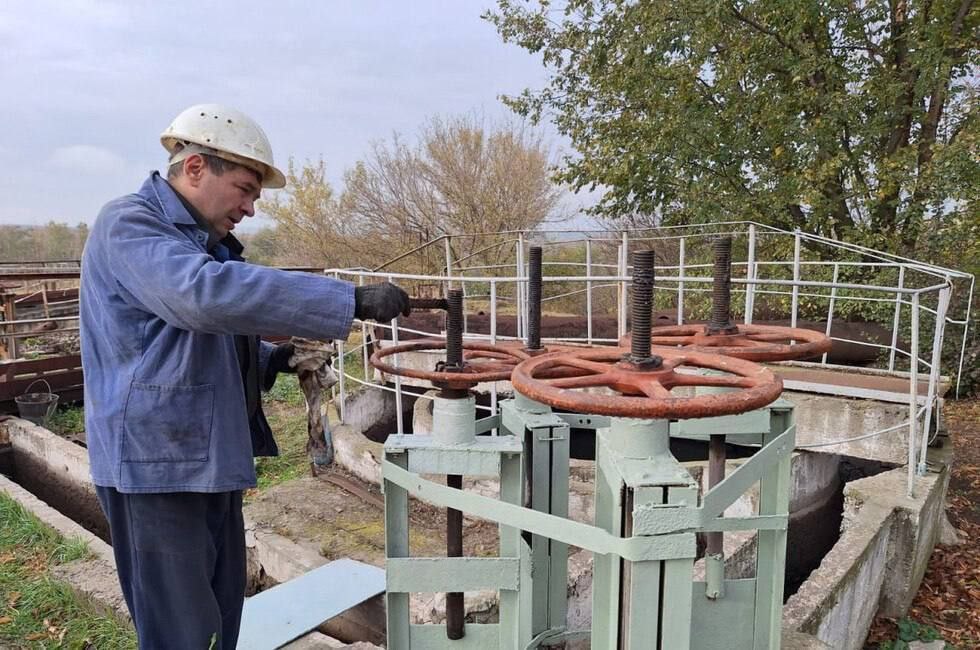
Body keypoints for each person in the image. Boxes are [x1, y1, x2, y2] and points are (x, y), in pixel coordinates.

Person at [79, 104, 410, 649]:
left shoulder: (194, 242)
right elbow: (203, 297)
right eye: (244, 188)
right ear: (193, 169)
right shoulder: (129, 224)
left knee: (220, 618)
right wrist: (346, 299)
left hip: (204, 457)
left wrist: (273, 359)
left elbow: (188, 343)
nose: (250, 209)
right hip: (155, 465)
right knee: (181, 633)